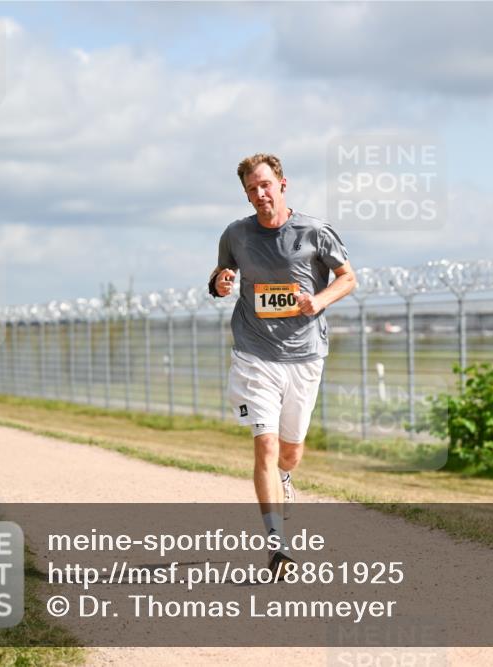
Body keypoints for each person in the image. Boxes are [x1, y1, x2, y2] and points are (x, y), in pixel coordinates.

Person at [209, 153, 356, 578]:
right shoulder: (236, 234)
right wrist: (219, 283)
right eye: (252, 189)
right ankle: (276, 545)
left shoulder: (314, 231)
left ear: (282, 184)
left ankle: (285, 479)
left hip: (305, 355)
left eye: (265, 185)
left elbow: (348, 277)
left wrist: (319, 301)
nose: (260, 194)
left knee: (290, 452)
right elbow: (221, 276)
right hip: (254, 354)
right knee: (266, 446)